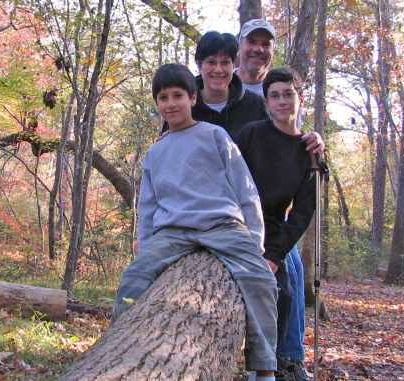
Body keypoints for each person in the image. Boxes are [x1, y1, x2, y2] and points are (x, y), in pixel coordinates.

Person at [112, 63, 279, 380]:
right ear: (157, 104)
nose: (171, 103)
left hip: (223, 226)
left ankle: (264, 365)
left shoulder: (215, 135)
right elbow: (148, 207)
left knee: (260, 279)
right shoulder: (155, 154)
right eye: (163, 97)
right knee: (133, 277)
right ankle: (118, 345)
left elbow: (245, 188)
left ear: (192, 97)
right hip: (173, 231)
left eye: (178, 95)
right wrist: (146, 251)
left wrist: (255, 241)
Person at [234, 67, 320, 381]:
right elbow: (226, 175)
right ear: (267, 103)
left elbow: (302, 212)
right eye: (274, 96)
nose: (282, 101)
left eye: (288, 94)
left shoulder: (309, 151)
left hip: (272, 228)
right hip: (237, 219)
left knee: (283, 292)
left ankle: (268, 367)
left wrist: (275, 254)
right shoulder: (251, 133)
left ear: (300, 98)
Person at [161, 31, 270, 139]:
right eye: (211, 62)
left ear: (233, 65)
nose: (218, 70)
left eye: (225, 62)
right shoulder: (184, 107)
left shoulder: (255, 104)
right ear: (199, 65)